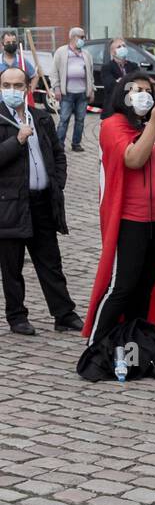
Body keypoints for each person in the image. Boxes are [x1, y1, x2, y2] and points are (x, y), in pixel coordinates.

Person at [83, 72, 155, 365]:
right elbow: (133, 159)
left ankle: (134, 345)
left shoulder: (150, 127)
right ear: (123, 93)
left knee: (146, 288)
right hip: (131, 220)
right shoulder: (112, 125)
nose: (144, 95)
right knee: (123, 286)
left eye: (149, 91)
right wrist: (154, 123)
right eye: (138, 89)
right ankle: (96, 345)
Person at [0, 62, 82, 337]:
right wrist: (17, 141)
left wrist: (57, 184)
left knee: (50, 262)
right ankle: (17, 316)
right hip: (9, 204)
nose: (12, 90)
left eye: (17, 85)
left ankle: (64, 313)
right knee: (12, 266)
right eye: (6, 86)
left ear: (27, 88)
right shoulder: (2, 119)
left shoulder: (41, 118)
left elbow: (57, 153)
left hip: (42, 202)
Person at [51, 27, 94, 152]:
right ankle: (59, 145)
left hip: (82, 93)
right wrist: (57, 88)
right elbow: (54, 72)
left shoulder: (86, 54)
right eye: (82, 37)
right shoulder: (61, 52)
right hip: (67, 93)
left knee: (80, 120)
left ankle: (76, 144)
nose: (83, 40)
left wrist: (92, 90)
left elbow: (90, 74)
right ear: (73, 37)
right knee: (64, 120)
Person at [100, 38, 135, 120]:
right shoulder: (107, 67)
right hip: (113, 109)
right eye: (119, 47)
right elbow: (110, 86)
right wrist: (128, 82)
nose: (122, 48)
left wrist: (120, 81)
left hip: (130, 108)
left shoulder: (133, 66)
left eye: (124, 46)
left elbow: (137, 83)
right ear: (112, 52)